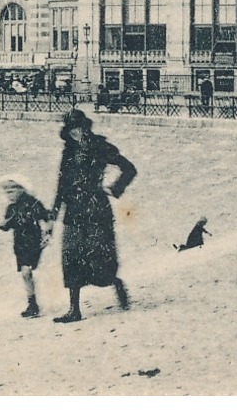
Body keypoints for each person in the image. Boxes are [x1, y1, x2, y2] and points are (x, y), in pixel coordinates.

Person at [50, 108, 137, 323]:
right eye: (71, 130)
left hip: (97, 209)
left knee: (99, 256)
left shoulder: (100, 146)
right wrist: (53, 215)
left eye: (78, 128)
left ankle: (114, 282)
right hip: (73, 210)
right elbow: (62, 185)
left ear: (85, 127)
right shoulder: (68, 152)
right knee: (71, 256)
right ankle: (74, 310)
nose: (75, 133)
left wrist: (115, 189)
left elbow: (129, 168)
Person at [0, 176, 53, 319]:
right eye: (7, 192)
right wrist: (3, 224)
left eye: (12, 190)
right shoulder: (11, 208)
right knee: (26, 273)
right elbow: (7, 226)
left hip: (34, 242)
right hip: (20, 244)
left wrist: (47, 234)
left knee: (28, 272)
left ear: (21, 189)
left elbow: (47, 218)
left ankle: (38, 302)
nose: (9, 194)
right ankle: (33, 304)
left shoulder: (34, 203)